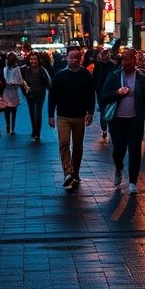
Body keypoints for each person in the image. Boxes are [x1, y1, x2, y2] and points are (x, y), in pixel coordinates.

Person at [101, 49, 145, 194]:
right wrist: (117, 93)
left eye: (129, 61)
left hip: (135, 120)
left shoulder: (142, 78)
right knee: (118, 149)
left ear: (135, 62)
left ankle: (132, 182)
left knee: (134, 149)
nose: (126, 64)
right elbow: (104, 96)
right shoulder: (114, 76)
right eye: (124, 61)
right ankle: (118, 167)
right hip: (117, 120)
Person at [49, 47, 96, 190]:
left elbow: (90, 94)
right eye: (72, 57)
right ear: (67, 58)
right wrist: (50, 115)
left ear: (80, 59)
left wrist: (90, 112)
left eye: (77, 57)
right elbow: (52, 96)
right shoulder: (60, 75)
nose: (74, 60)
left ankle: (75, 172)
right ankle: (68, 172)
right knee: (64, 143)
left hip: (79, 116)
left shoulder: (86, 75)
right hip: (63, 116)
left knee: (77, 146)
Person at [20, 53, 50, 140]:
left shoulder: (42, 70)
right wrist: (25, 91)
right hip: (29, 94)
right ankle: (34, 129)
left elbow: (48, 81)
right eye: (31, 59)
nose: (33, 61)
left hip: (40, 93)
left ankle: (38, 132)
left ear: (38, 60)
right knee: (32, 112)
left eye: (35, 59)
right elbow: (21, 81)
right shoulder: (25, 70)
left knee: (38, 112)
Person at [92, 49, 117, 141]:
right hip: (101, 92)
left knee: (110, 109)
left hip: (110, 91)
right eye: (104, 55)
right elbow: (95, 78)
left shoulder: (112, 65)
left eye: (107, 55)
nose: (106, 56)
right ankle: (104, 128)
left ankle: (109, 128)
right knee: (103, 110)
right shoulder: (98, 65)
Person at [0, 53, 26, 135]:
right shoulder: (4, 69)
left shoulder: (15, 69)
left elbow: (20, 81)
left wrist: (14, 83)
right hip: (8, 91)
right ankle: (9, 126)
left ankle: (10, 127)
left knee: (10, 110)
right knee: (9, 110)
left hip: (12, 91)